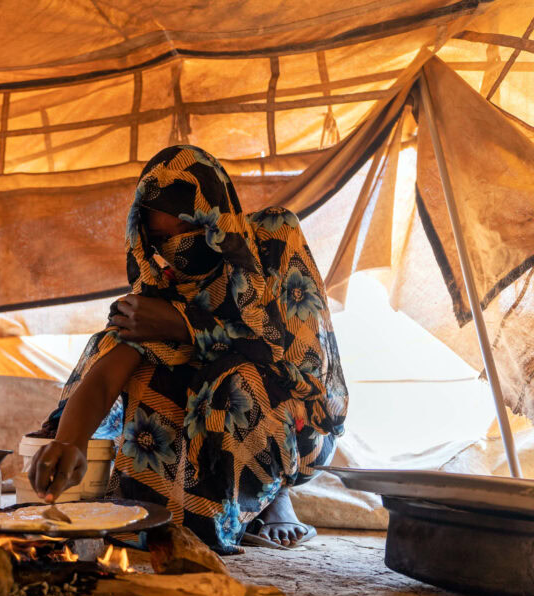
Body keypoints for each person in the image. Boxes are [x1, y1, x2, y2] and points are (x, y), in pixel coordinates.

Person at [28, 145, 347, 553]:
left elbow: (304, 366)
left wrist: (185, 326)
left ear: (215, 216)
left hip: (295, 423)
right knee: (133, 357)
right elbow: (112, 366)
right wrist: (69, 443)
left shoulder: (273, 239)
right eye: (162, 238)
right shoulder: (161, 275)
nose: (175, 248)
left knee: (235, 380)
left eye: (189, 231)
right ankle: (157, 508)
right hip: (197, 422)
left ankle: (271, 496)